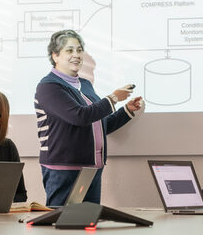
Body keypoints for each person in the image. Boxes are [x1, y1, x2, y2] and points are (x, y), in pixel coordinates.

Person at [35, 29, 143, 206]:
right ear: (55, 56)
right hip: (64, 170)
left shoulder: (84, 85)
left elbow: (99, 124)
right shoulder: (49, 87)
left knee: (89, 225)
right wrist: (113, 98)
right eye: (69, 50)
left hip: (91, 168)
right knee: (61, 226)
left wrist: (127, 111)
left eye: (79, 50)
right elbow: (79, 116)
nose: (76, 55)